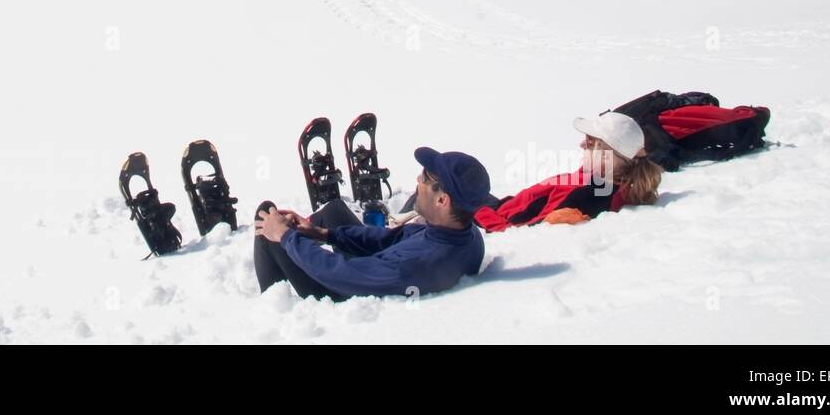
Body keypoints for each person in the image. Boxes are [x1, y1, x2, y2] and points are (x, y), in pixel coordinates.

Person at [253, 148, 487, 301]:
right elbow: (390, 239)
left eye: (425, 176)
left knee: (267, 219)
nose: (418, 179)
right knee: (334, 209)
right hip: (371, 271)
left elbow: (340, 271)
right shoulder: (465, 233)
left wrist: (285, 236)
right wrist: (324, 234)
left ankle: (275, 309)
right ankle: (296, 240)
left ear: (442, 200)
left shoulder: (414, 265)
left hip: (339, 290)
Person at [474, 111, 664, 232]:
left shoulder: (589, 195)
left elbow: (520, 230)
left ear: (610, 155)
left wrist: (477, 213)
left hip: (487, 217)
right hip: (500, 207)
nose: (582, 144)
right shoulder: (602, 179)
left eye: (590, 142)